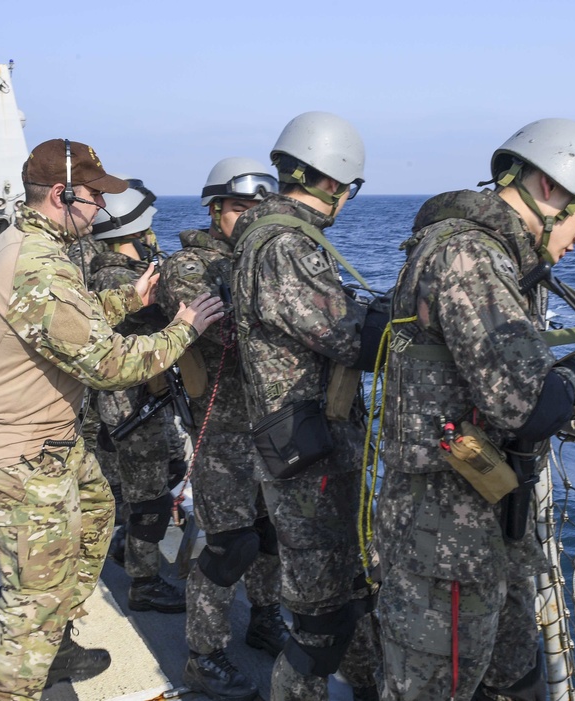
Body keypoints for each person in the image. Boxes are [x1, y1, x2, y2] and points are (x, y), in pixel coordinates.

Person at [0, 138, 224, 701]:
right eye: (96, 199)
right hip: (21, 450)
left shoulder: (31, 248)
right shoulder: (38, 263)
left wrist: (128, 300)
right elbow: (106, 363)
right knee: (33, 594)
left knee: (99, 511)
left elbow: (59, 326)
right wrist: (185, 328)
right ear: (63, 194)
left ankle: (53, 642)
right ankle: (16, 682)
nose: (102, 211)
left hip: (46, 441)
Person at [375, 118, 575, 700]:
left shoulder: (492, 257)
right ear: (549, 187)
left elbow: (485, 376)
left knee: (513, 677)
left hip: (475, 525)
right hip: (447, 537)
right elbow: (526, 405)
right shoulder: (471, 256)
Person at [231, 112, 383, 701]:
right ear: (337, 182)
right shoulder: (286, 246)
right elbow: (345, 336)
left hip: (303, 441)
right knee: (321, 615)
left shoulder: (261, 236)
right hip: (307, 452)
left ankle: (368, 685)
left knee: (347, 591)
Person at [157, 157, 289, 701]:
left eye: (260, 208)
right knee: (228, 546)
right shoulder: (189, 266)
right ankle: (204, 655)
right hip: (222, 432)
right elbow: (227, 329)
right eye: (239, 208)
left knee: (270, 537)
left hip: (273, 427)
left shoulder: (271, 261)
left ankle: (264, 616)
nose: (251, 217)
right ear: (215, 211)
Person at [89, 185, 188, 614]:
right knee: (149, 498)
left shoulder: (104, 271)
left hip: (131, 402)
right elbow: (158, 323)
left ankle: (128, 544)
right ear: (137, 230)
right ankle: (144, 582)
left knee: (157, 476)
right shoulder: (122, 279)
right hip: (135, 405)